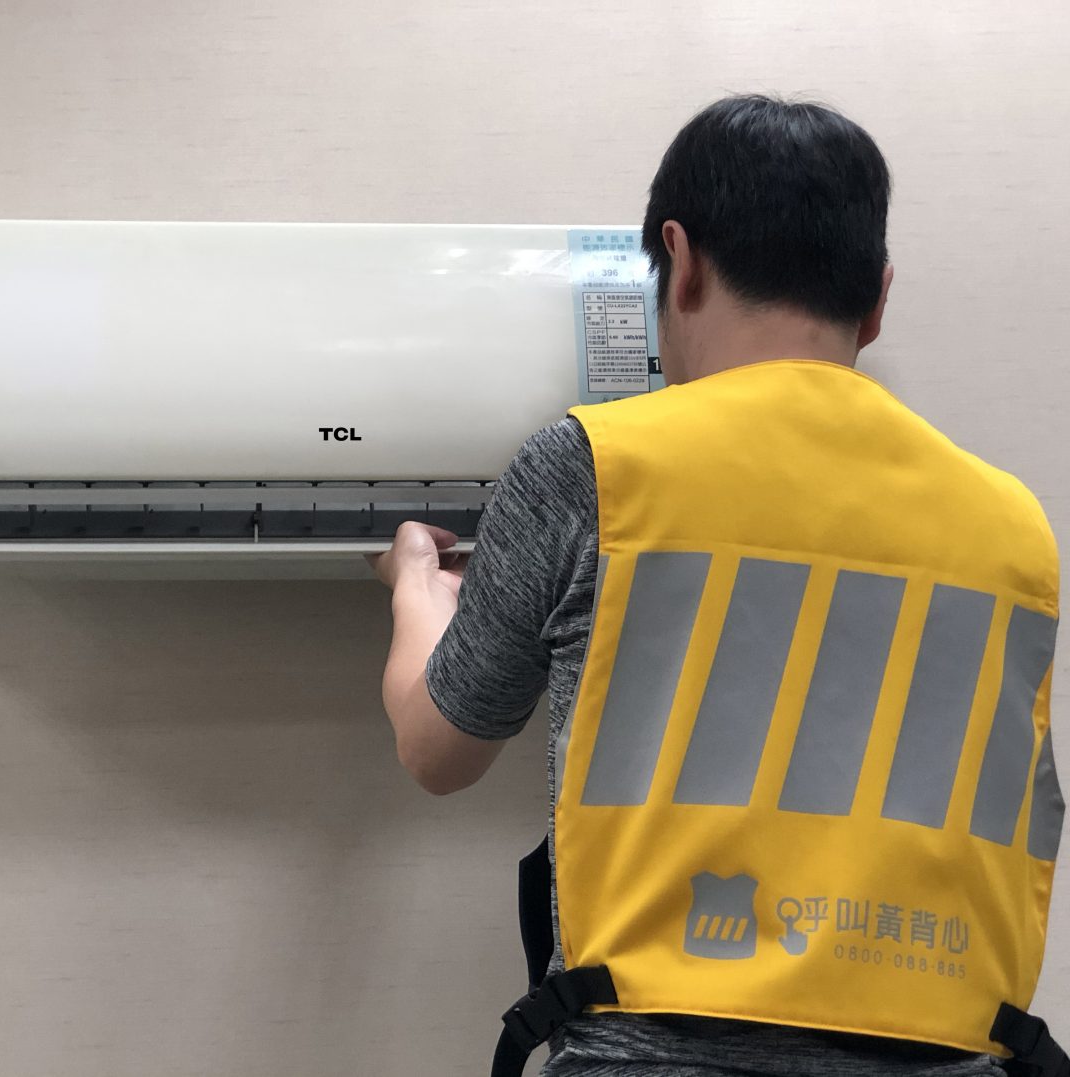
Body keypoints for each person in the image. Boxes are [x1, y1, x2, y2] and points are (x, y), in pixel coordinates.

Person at [371, 95, 1065, 1077]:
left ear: (680, 259)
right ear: (877, 300)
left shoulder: (593, 467)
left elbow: (437, 750)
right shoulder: (1013, 525)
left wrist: (416, 584)